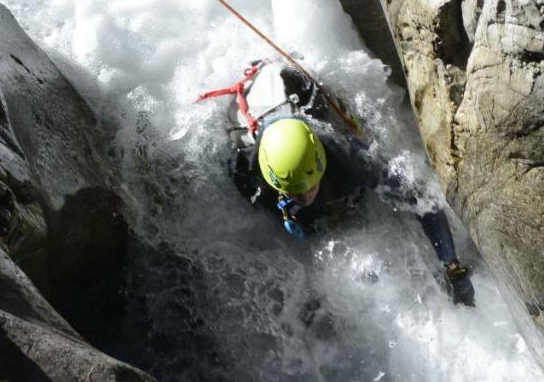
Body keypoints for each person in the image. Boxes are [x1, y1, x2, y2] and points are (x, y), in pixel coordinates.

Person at [203, 60, 475, 306]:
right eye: (296, 192)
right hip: (266, 132)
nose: (305, 196)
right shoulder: (249, 173)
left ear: (320, 164)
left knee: (348, 199)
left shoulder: (346, 154)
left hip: (302, 109)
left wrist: (451, 264)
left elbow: (420, 201)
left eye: (309, 188)